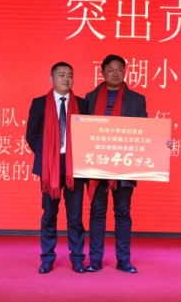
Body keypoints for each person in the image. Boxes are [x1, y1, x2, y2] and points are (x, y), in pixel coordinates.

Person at [84, 54, 147, 274]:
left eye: (119, 69)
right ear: (102, 72)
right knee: (97, 212)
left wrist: (162, 142)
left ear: (125, 72)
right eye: (110, 69)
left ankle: (123, 260)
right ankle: (95, 260)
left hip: (125, 165)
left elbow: (145, 132)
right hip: (97, 164)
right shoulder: (90, 98)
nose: (115, 73)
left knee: (122, 213)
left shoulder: (137, 99)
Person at [26, 62, 89, 274]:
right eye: (61, 75)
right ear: (51, 78)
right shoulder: (39, 103)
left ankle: (77, 258)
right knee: (49, 214)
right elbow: (31, 135)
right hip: (49, 168)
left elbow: (90, 135)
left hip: (74, 167)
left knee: (75, 216)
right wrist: (47, 157)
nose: (66, 79)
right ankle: (47, 258)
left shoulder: (82, 104)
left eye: (70, 75)